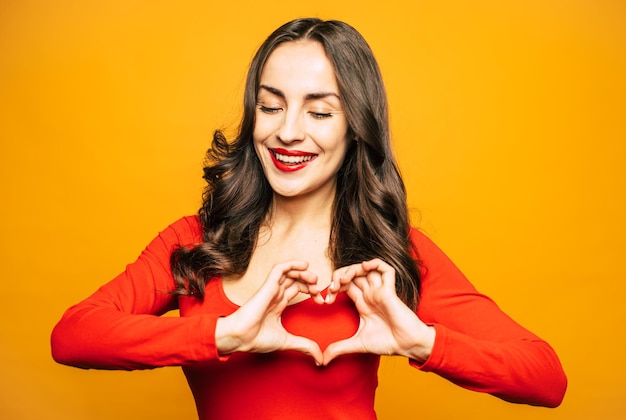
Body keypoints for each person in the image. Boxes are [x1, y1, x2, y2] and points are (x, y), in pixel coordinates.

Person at [51, 18, 567, 419]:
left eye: (319, 112)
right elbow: (73, 335)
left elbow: (546, 377)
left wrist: (420, 342)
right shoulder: (196, 242)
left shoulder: (389, 256)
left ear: (356, 126)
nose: (288, 132)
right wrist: (225, 335)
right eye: (270, 106)